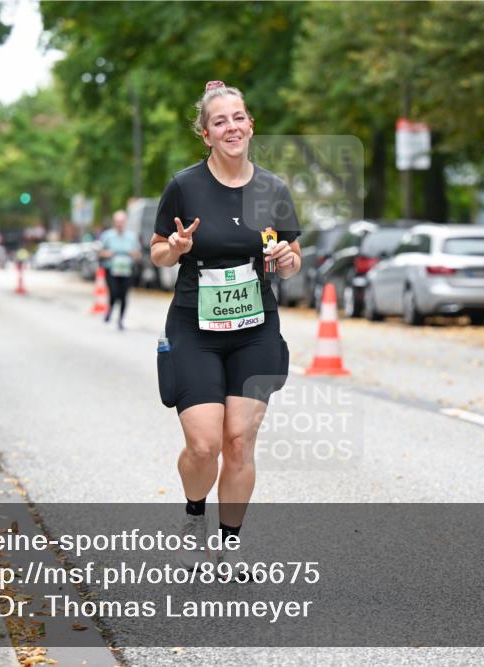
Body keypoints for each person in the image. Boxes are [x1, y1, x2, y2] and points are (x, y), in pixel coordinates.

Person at [150, 81, 302, 572]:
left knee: (239, 441)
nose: (231, 127)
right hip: (195, 326)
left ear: (250, 124)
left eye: (238, 118)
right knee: (204, 444)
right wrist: (175, 249)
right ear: (206, 134)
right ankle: (195, 514)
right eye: (220, 122)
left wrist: (284, 257)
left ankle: (230, 545)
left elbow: (293, 259)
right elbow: (155, 251)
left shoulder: (273, 190)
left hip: (255, 327)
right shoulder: (185, 186)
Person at [98, 209, 141, 330]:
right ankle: (110, 310)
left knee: (123, 295)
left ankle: (120, 320)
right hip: (111, 269)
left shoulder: (132, 236)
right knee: (114, 292)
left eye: (122, 221)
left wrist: (134, 254)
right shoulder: (107, 235)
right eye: (117, 221)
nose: (119, 224)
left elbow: (138, 254)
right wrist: (107, 254)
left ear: (125, 222)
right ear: (114, 222)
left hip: (126, 270)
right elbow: (100, 252)